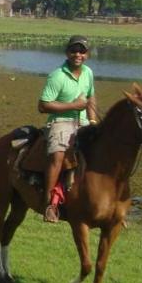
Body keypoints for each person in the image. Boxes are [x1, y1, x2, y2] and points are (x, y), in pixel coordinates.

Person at [38, 35, 97, 223]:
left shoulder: (88, 72)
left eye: (82, 51)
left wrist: (93, 119)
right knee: (58, 155)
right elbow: (43, 105)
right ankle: (49, 204)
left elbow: (91, 96)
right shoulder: (57, 76)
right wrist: (73, 106)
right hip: (60, 122)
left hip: (84, 122)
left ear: (87, 54)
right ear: (67, 52)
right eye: (74, 51)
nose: (77, 54)